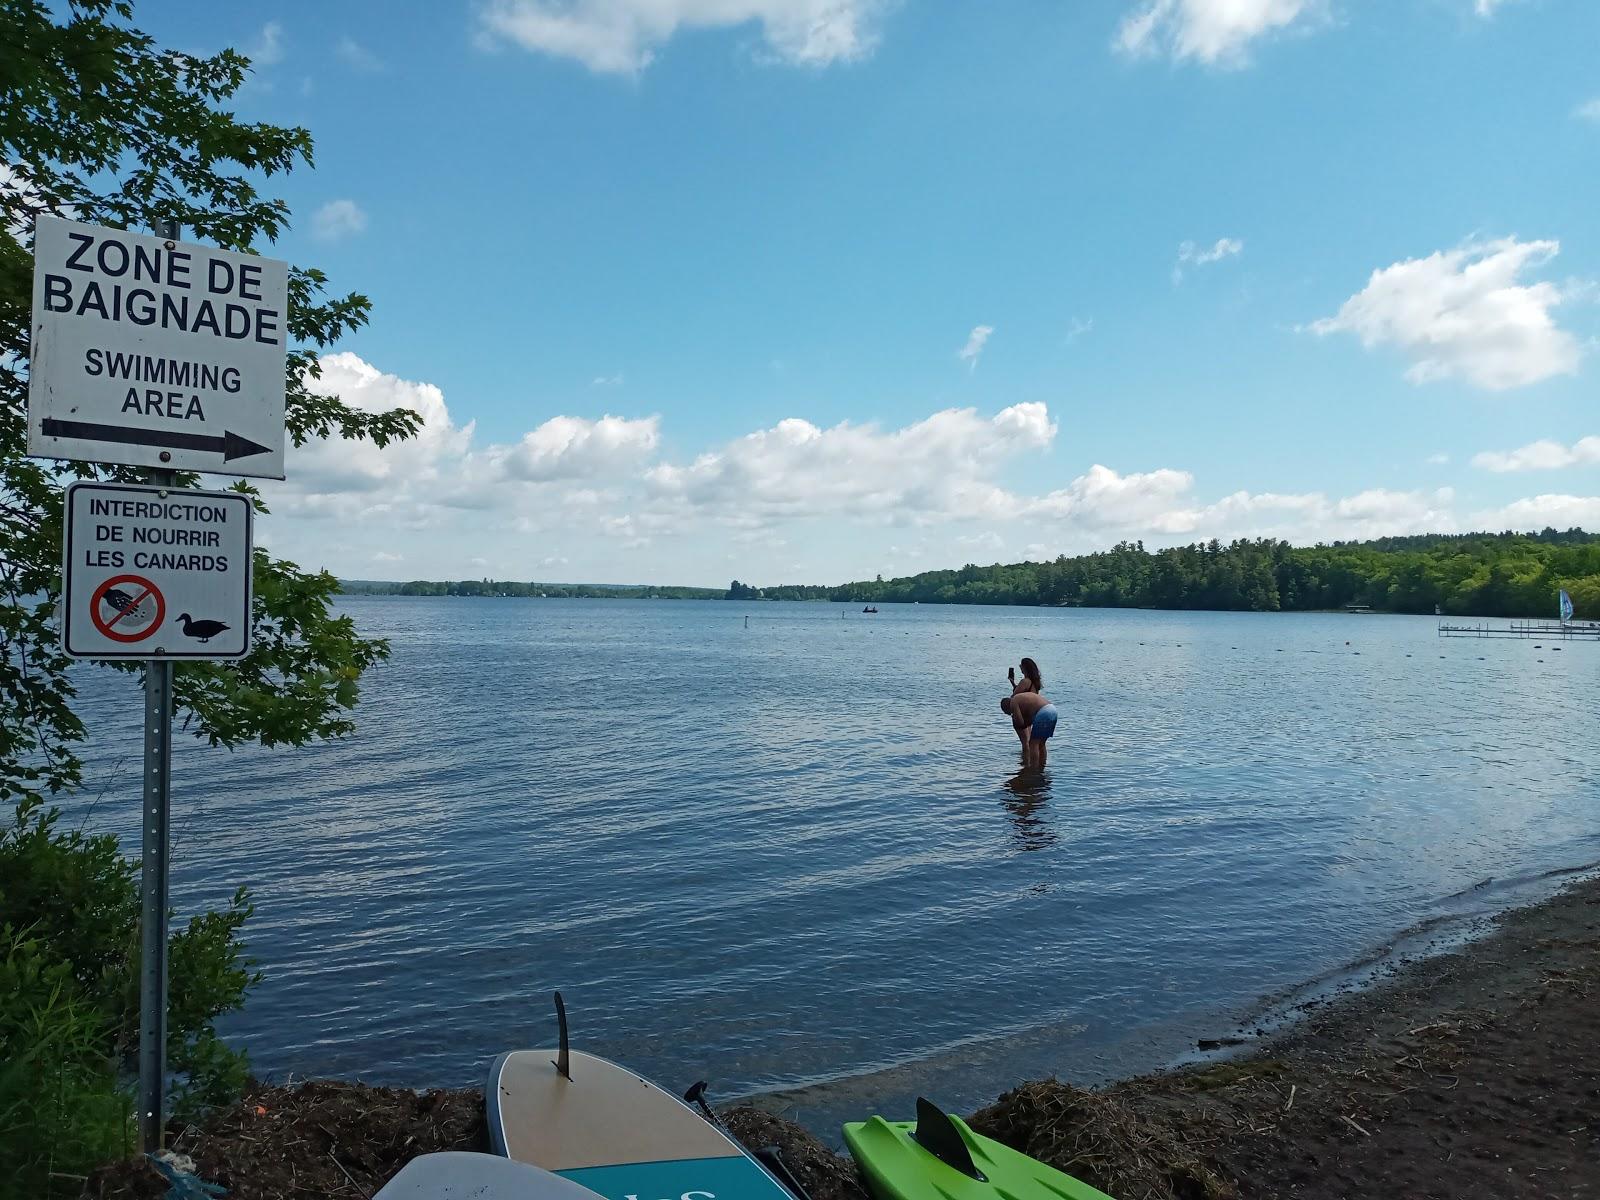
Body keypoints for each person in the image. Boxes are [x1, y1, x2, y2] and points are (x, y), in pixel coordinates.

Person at [1001, 690, 1057, 769]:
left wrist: (1016, 719)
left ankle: (1033, 768)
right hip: (1052, 709)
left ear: (1006, 708)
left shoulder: (1013, 702)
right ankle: (1042, 765)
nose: (1009, 714)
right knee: (1041, 743)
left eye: (1007, 712)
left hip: (1043, 712)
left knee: (1032, 744)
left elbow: (1020, 722)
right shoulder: (1021, 698)